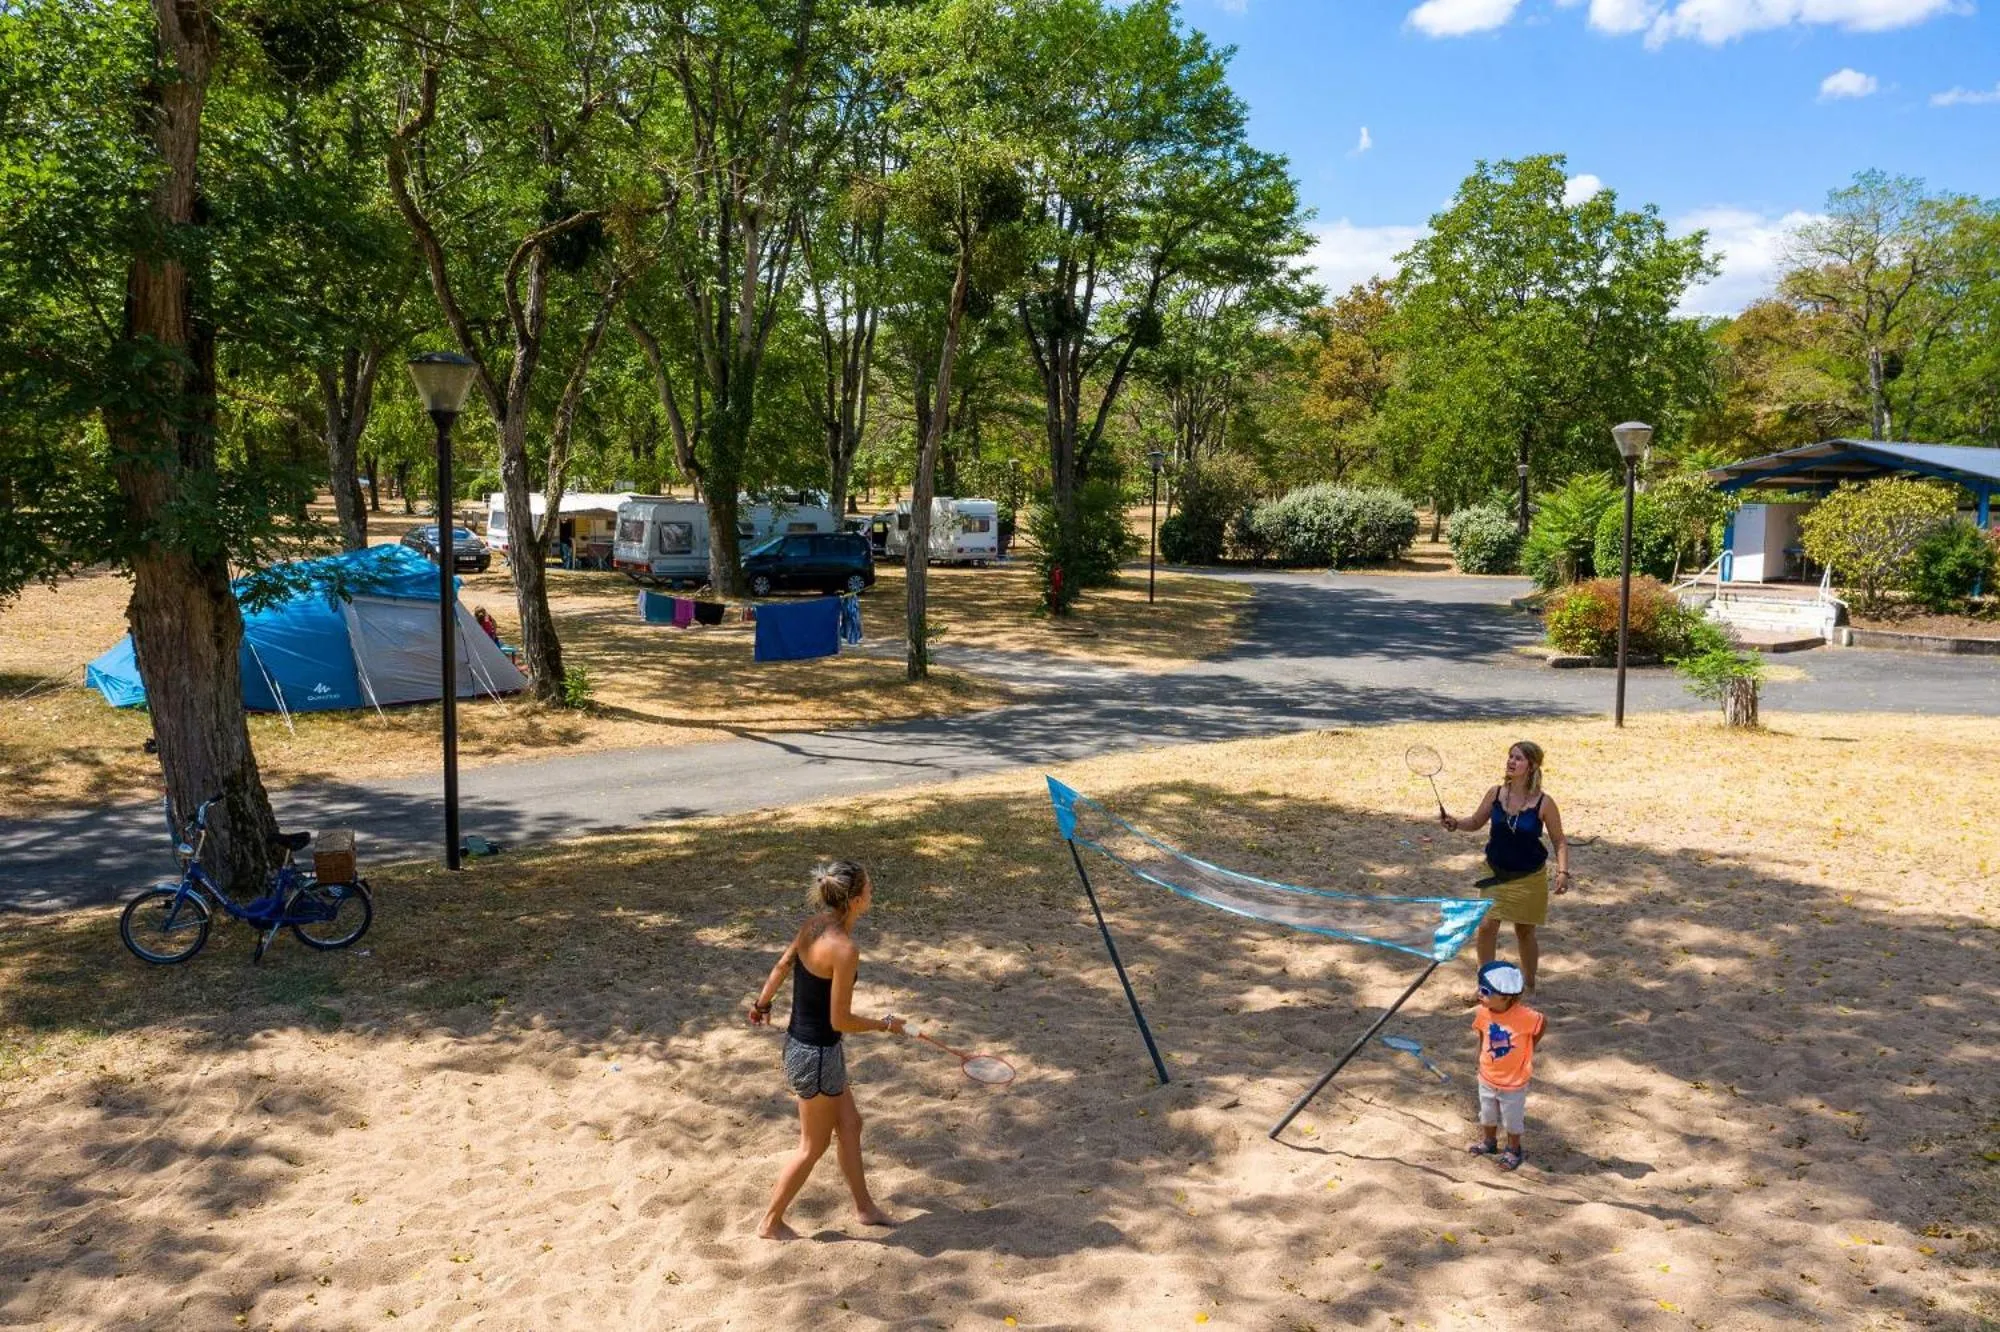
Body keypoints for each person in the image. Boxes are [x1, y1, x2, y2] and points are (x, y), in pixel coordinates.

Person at [746, 860, 906, 1240]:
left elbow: (783, 964)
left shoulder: (813, 926)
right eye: (868, 887)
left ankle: (864, 1208)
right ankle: (770, 1222)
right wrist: (885, 1025)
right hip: (816, 1055)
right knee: (812, 1146)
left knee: (851, 1125)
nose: (872, 892)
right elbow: (840, 1020)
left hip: (809, 1049)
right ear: (852, 900)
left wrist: (762, 1004)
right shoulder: (844, 949)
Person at [1438, 739, 1570, 993]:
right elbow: (1476, 821)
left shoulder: (1544, 803)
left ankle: (1529, 983)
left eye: (1518, 758)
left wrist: (1563, 872)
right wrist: (1456, 823)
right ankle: (1484, 985)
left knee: (1524, 932)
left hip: (1529, 877)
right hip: (1495, 872)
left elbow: (1559, 840)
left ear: (1531, 766)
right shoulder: (1496, 793)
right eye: (1510, 756)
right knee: (1487, 926)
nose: (1511, 761)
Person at [1468, 960, 1546, 1171]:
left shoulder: (1526, 1016)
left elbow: (1541, 1023)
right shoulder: (1483, 1012)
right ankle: (1489, 1142)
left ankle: (1513, 1149)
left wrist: (1530, 1047)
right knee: (1487, 1114)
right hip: (1487, 1075)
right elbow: (1482, 1035)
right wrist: (1479, 1057)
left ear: (1504, 996)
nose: (1478, 994)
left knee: (1512, 1120)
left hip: (1513, 1080)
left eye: (1484, 991)